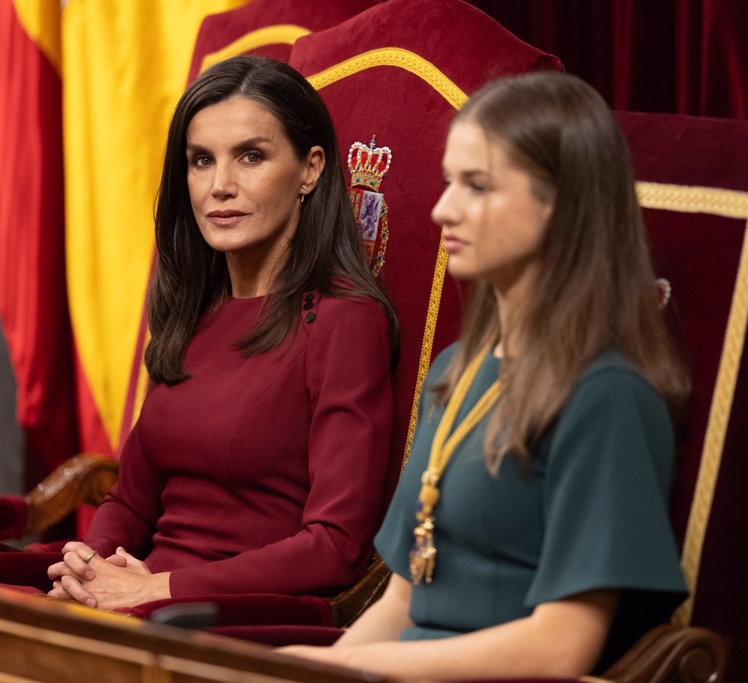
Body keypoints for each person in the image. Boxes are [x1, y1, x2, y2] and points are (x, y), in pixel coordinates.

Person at [283, 70, 689, 679]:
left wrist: (368, 669)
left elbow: (561, 649)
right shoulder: (455, 371)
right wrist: (325, 670)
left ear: (563, 204)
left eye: (477, 186)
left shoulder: (606, 395)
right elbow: (400, 601)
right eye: (450, 182)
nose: (444, 207)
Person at [45, 55, 399, 611]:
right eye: (201, 161)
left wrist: (158, 589)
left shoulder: (345, 319)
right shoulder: (193, 309)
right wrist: (89, 568)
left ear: (310, 169)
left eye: (251, 157)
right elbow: (132, 503)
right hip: (141, 605)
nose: (220, 186)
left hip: (239, 624)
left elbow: (337, 546)